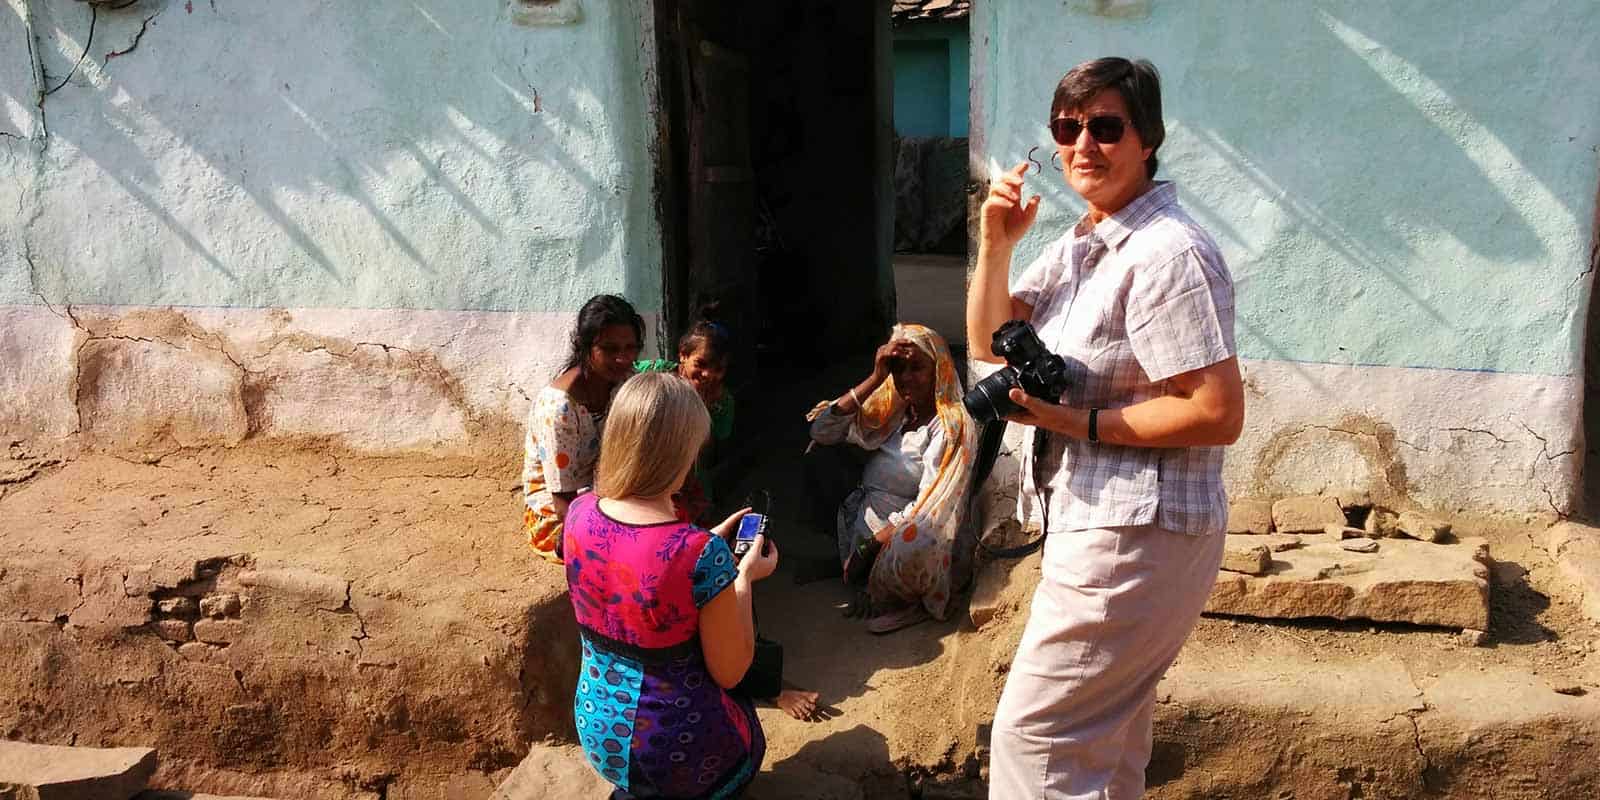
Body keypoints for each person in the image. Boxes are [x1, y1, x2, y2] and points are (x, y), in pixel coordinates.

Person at [967, 57, 1245, 798]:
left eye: (1106, 127)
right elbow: (988, 340)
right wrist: (997, 243)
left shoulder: (1167, 255)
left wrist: (1071, 418)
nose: (1083, 144)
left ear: (1148, 138)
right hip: (1102, 521)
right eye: (1069, 127)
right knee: (1108, 744)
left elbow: (1216, 412)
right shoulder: (1086, 241)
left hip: (1134, 535)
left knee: (1039, 741)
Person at [563, 371, 776, 799]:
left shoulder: (580, 512)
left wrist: (707, 542)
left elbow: (637, 557)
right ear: (681, 452)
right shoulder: (700, 556)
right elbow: (731, 670)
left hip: (597, 728)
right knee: (749, 735)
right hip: (673, 747)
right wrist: (744, 577)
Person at [805, 323, 978, 635]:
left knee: (919, 539)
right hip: (864, 517)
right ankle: (858, 568)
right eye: (898, 368)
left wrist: (871, 546)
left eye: (917, 368)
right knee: (819, 451)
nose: (906, 378)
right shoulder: (895, 409)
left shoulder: (950, 425)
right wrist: (875, 378)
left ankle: (903, 598)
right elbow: (821, 429)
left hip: (907, 530)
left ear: (938, 371)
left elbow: (929, 506)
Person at [521, 294, 643, 563]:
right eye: (610, 349)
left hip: (603, 494)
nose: (623, 358)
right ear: (585, 346)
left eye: (630, 348)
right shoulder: (559, 408)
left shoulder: (624, 384)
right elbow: (562, 499)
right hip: (557, 515)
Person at [635, 306, 736, 524]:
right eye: (700, 364)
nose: (708, 374)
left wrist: (708, 406)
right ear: (683, 354)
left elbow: (717, 438)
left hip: (691, 475)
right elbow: (626, 377)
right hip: (649, 469)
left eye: (718, 369)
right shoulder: (656, 371)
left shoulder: (721, 400)